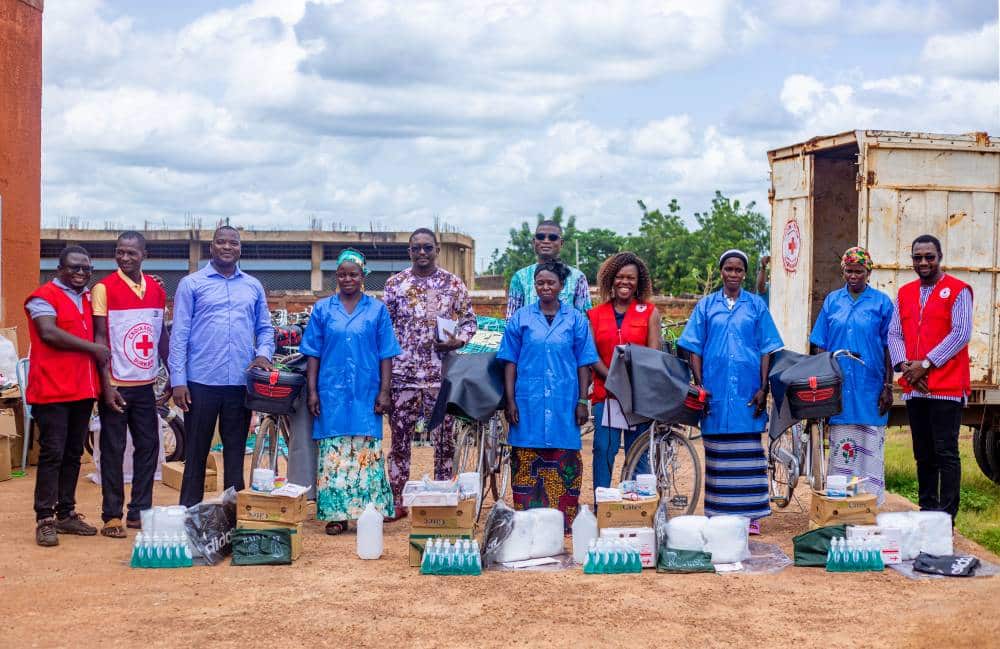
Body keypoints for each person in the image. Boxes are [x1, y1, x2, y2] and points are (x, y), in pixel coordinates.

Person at [677, 249, 783, 534]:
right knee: (718, 454)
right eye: (729, 269)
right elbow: (693, 348)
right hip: (715, 389)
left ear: (744, 274)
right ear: (721, 271)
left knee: (748, 453)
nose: (733, 274)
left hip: (749, 389)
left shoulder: (756, 306)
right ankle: (720, 512)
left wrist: (764, 387)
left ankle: (751, 517)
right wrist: (700, 384)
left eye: (739, 270)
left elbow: (766, 349)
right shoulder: (706, 306)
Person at [169, 226, 274, 507]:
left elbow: (265, 328)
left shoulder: (252, 286)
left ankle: (232, 522)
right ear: (211, 247)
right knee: (196, 455)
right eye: (221, 242)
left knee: (235, 454)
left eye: (233, 243)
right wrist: (178, 380)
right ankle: (189, 517)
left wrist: (263, 354)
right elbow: (178, 335)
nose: (227, 247)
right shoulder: (191, 284)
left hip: (240, 384)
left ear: (240, 249)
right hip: (200, 383)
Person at [300, 249, 401, 534]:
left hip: (365, 392)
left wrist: (384, 391)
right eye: (342, 274)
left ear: (362, 276)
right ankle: (336, 515)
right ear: (337, 276)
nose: (347, 279)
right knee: (333, 455)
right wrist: (312, 391)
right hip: (330, 391)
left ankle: (368, 513)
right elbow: (312, 353)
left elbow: (386, 354)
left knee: (365, 452)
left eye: (353, 274)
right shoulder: (323, 309)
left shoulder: (377, 310)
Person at [498, 260, 599, 533]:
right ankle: (527, 521)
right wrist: (510, 400)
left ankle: (561, 521)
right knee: (526, 456)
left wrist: (582, 401)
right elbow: (509, 362)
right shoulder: (521, 318)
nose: (545, 287)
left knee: (564, 455)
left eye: (551, 283)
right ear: (535, 285)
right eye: (540, 283)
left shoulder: (576, 320)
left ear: (561, 287)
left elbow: (584, 363)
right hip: (527, 400)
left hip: (564, 401)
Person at [383, 228, 477, 520]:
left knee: (443, 443)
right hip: (402, 377)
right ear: (409, 251)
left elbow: (470, 323)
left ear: (437, 249)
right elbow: (383, 329)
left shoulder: (453, 284)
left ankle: (441, 497)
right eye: (416, 248)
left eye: (427, 247)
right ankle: (397, 500)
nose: (422, 253)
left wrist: (457, 341)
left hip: (440, 378)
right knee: (399, 442)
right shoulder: (395, 285)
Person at [24, 246, 108, 546]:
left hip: (82, 391)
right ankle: (45, 518)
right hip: (51, 391)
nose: (81, 274)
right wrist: (93, 349)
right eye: (74, 268)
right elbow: (49, 333)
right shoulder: (42, 298)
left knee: (74, 454)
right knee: (53, 454)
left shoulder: (89, 298)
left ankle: (66, 513)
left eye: (86, 269)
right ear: (59, 269)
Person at [888, 234, 973, 519]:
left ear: (940, 257)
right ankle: (927, 511)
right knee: (923, 454)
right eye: (917, 257)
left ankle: (946, 518)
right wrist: (905, 366)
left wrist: (925, 364)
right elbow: (894, 333)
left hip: (946, 385)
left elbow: (961, 333)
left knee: (946, 453)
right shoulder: (905, 293)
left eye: (929, 256)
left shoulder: (959, 290)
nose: (923, 262)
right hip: (915, 386)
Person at [91, 231, 170, 537]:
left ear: (143, 255)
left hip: (145, 384)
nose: (124, 258)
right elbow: (99, 337)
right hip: (115, 384)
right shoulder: (103, 288)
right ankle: (112, 516)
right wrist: (106, 384)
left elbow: (159, 333)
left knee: (148, 446)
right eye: (119, 252)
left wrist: (172, 372)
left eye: (131, 253)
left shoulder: (156, 289)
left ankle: (139, 511)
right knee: (113, 448)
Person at [809, 246, 894, 505]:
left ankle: (869, 508)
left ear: (869, 272)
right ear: (842, 271)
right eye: (849, 271)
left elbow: (890, 346)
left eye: (859, 271)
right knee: (842, 452)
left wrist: (889, 386)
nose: (854, 276)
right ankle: (842, 509)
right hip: (839, 389)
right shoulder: (832, 301)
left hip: (871, 389)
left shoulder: (882, 303)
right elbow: (819, 344)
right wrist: (822, 379)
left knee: (870, 454)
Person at [587, 252, 660, 492]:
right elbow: (591, 355)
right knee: (603, 450)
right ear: (610, 279)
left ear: (639, 282)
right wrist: (613, 379)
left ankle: (635, 507)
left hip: (638, 398)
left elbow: (653, 355)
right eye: (619, 277)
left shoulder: (649, 312)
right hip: (605, 395)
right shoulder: (595, 315)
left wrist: (632, 385)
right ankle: (602, 505)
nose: (624, 282)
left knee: (637, 453)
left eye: (630, 278)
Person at [505, 220, 592, 318]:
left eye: (553, 237)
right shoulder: (520, 277)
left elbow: (584, 319)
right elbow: (511, 319)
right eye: (540, 237)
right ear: (534, 242)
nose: (546, 241)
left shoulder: (577, 277)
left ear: (561, 243)